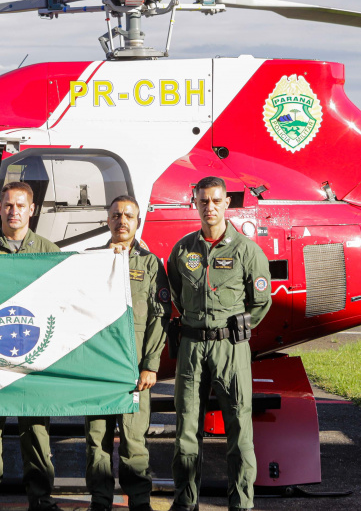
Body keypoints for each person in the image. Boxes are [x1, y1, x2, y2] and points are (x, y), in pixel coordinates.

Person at [167, 176, 272, 511]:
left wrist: (238, 331)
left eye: (215, 201)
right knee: (186, 431)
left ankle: (241, 504)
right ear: (194, 203)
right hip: (192, 346)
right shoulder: (183, 250)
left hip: (231, 348)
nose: (209, 207)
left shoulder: (247, 251)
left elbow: (261, 301)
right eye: (202, 201)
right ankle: (186, 503)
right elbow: (176, 294)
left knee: (239, 431)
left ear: (227, 203)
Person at [0, 181, 60, 511]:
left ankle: (41, 498)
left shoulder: (49, 252)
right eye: (8, 205)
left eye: (21, 205)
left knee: (35, 429)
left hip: (33, 354)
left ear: (32, 209)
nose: (14, 211)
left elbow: (58, 305)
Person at [84, 195, 170, 511]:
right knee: (97, 440)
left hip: (133, 371)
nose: (122, 220)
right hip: (98, 369)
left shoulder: (150, 264)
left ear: (138, 222)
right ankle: (100, 499)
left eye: (129, 216)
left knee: (134, 440)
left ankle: (139, 501)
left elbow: (159, 318)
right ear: (108, 221)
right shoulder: (90, 260)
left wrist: (150, 365)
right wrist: (106, 258)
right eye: (117, 215)